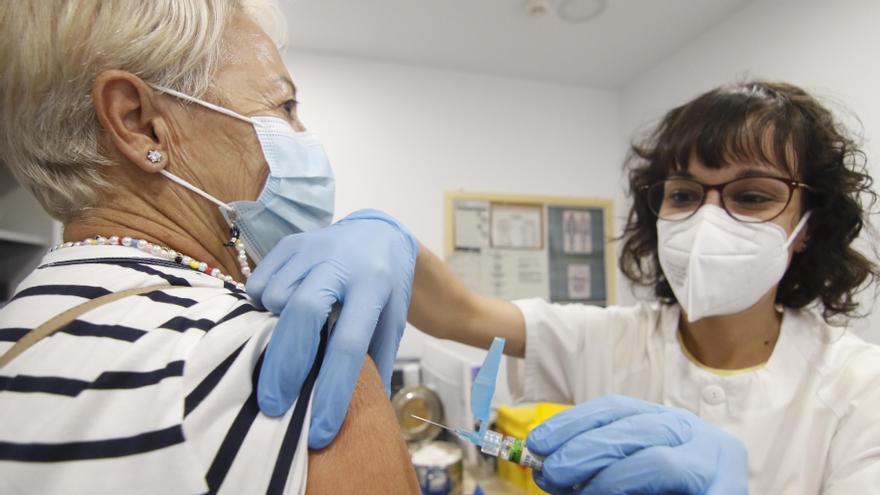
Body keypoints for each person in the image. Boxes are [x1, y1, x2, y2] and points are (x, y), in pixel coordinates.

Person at [249, 81, 880, 493]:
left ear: (806, 227)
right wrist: (387, 238)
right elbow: (461, 311)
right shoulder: (609, 337)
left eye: (751, 196)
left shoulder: (860, 387)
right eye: (684, 195)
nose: (708, 220)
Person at [0, 1, 418, 493]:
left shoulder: (19, 335)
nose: (304, 137)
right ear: (139, 124)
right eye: (284, 107)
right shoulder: (282, 356)